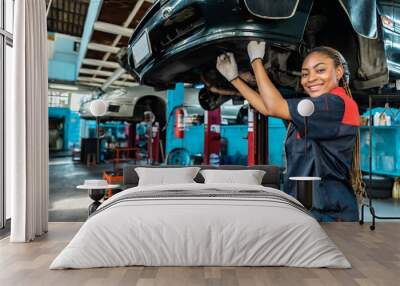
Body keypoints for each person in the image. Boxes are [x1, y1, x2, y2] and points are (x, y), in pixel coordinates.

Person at [216, 42, 364, 222]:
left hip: (329, 213)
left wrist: (256, 61)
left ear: (339, 72)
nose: (311, 78)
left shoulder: (333, 104)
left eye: (320, 70)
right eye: (305, 74)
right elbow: (267, 107)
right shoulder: (317, 108)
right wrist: (234, 79)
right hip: (314, 208)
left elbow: (274, 107)